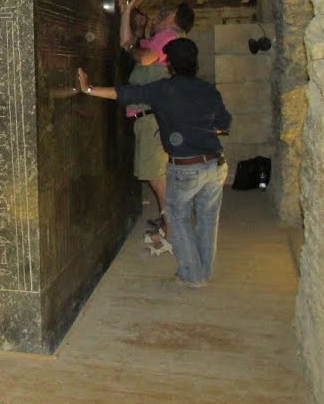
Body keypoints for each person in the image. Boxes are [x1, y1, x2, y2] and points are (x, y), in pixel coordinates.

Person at [76, 38, 231, 288]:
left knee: (178, 219)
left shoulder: (163, 89)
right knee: (207, 220)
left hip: (186, 165)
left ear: (170, 65)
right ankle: (204, 271)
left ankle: (193, 276)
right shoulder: (208, 90)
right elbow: (224, 123)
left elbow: (125, 94)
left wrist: (89, 89)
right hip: (216, 164)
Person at [119, 0, 196, 255]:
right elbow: (127, 43)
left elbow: (143, 57)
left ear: (175, 19)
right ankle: (168, 227)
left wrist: (133, 46)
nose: (162, 13)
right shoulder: (161, 37)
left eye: (168, 10)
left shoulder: (168, 36)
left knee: (157, 176)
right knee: (157, 175)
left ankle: (172, 233)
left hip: (152, 116)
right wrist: (127, 13)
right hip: (148, 116)